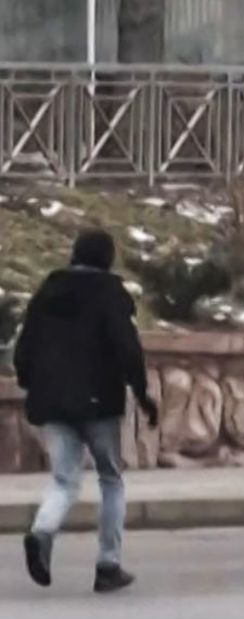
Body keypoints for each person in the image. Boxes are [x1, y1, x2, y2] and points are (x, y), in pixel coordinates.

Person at [14, 230, 158, 593]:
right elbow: (128, 348)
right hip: (99, 402)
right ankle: (108, 564)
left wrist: (33, 383)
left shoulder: (47, 291)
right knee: (110, 477)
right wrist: (142, 395)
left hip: (53, 402)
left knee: (64, 479)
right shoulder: (109, 294)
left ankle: (42, 532)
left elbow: (24, 347)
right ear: (107, 258)